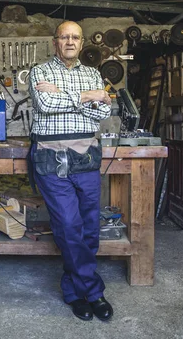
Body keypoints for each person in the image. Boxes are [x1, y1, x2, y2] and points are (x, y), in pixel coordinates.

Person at [28, 21, 113, 322]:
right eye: (64, 37)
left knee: (89, 226)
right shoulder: (39, 72)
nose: (70, 41)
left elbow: (104, 111)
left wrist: (86, 97)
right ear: (55, 42)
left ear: (81, 42)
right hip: (52, 158)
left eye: (75, 37)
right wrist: (88, 97)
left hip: (87, 157)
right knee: (67, 225)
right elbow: (45, 104)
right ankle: (93, 291)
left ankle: (74, 290)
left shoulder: (93, 73)